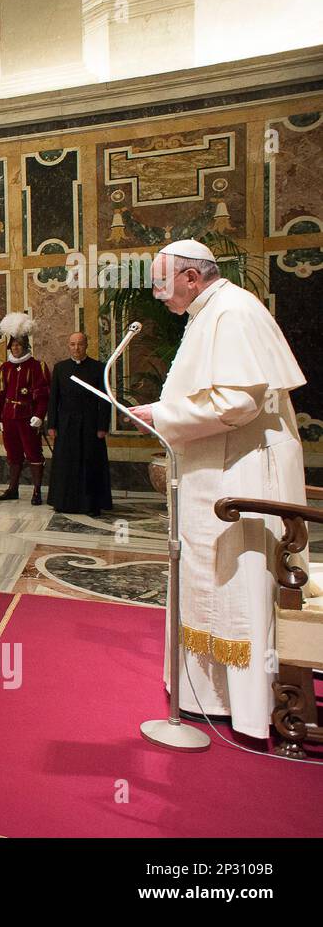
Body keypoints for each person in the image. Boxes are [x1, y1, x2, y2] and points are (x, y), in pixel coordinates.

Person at [129, 239, 306, 739]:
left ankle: (244, 705)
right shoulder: (210, 312)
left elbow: (236, 403)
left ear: (191, 277)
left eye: (162, 283)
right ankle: (209, 694)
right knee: (214, 571)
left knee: (236, 576)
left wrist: (163, 416)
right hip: (223, 465)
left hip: (244, 471)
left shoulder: (231, 312)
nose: (158, 294)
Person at [47, 332, 112, 515]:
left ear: (86, 345)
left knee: (89, 463)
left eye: (80, 344)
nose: (76, 348)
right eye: (73, 344)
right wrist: (51, 425)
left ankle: (90, 504)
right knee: (65, 463)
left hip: (90, 424)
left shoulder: (99, 368)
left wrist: (102, 426)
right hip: (66, 423)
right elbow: (54, 399)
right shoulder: (60, 368)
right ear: (69, 346)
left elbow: (105, 399)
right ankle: (62, 502)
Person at [0, 313, 51, 504]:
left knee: (33, 453)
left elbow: (43, 395)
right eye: (13, 345)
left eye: (19, 345)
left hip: (28, 418)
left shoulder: (37, 366)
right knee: (13, 453)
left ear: (26, 346)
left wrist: (39, 415)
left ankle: (36, 491)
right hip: (9, 417)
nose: (16, 348)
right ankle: (13, 488)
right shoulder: (5, 368)